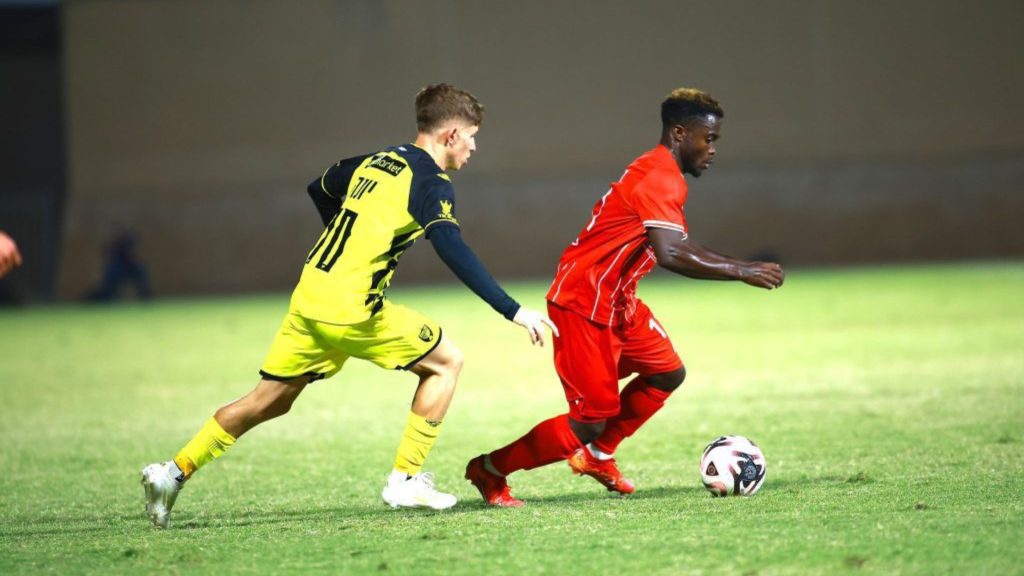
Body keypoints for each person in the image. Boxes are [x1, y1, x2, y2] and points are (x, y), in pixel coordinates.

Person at [141, 83, 557, 528]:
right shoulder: (431, 182)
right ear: (451, 134)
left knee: (269, 401)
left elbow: (320, 187)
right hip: (352, 307)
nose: (475, 146)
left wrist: (351, 242)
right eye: (472, 135)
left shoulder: (379, 160)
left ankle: (173, 472)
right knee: (445, 362)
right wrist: (514, 310)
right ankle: (406, 479)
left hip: (310, 297)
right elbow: (452, 248)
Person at [465, 88, 784, 507]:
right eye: (709, 139)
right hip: (584, 303)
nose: (713, 149)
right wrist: (741, 271)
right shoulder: (660, 177)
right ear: (680, 132)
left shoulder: (660, 172)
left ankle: (598, 456)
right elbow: (671, 254)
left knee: (667, 372)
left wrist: (739, 265)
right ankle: (489, 469)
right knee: (589, 421)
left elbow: (680, 243)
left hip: (618, 300)